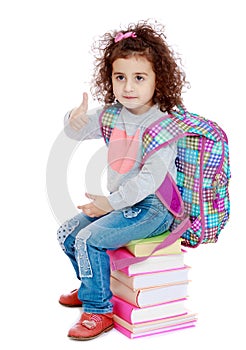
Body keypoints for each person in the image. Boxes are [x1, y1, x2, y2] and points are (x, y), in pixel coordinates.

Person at [57, 19, 188, 341]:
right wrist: (72, 120)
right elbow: (76, 132)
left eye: (139, 78)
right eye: (120, 77)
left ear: (159, 81)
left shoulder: (162, 126)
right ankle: (94, 286)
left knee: (88, 239)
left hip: (153, 208)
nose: (128, 87)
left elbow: (148, 181)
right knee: (66, 235)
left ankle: (98, 309)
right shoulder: (112, 115)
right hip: (123, 205)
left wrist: (108, 205)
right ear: (110, 79)